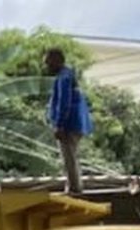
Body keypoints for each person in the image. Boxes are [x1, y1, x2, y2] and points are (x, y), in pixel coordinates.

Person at [44, 48, 93, 194]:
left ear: (57, 60)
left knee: (69, 158)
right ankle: (73, 185)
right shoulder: (68, 74)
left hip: (69, 124)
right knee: (71, 156)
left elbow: (64, 103)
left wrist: (59, 125)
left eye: (48, 61)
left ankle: (74, 189)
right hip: (76, 123)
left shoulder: (64, 77)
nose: (46, 65)